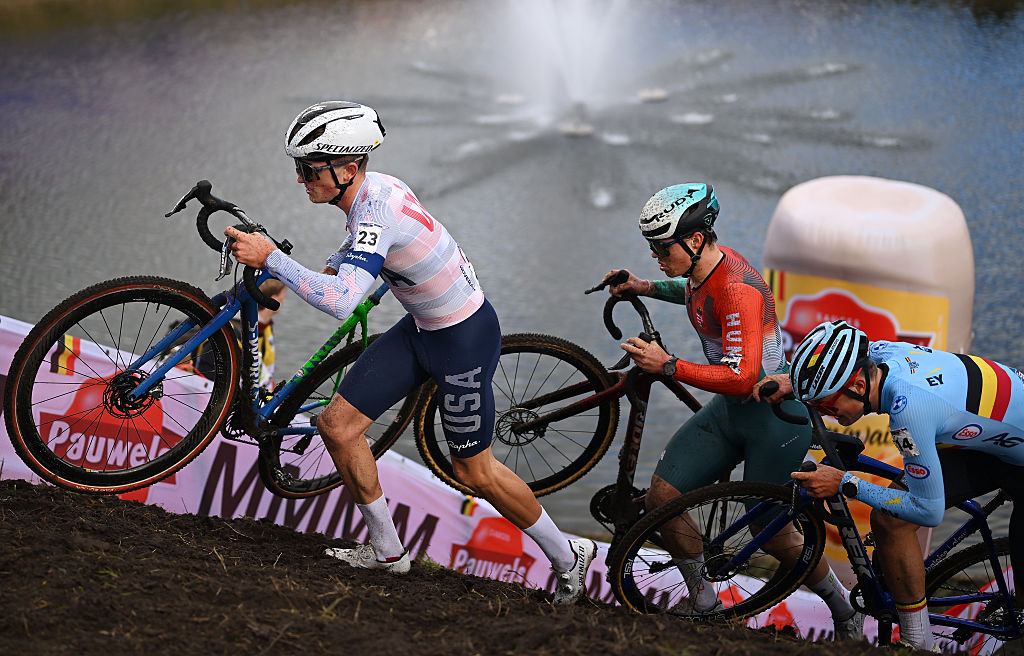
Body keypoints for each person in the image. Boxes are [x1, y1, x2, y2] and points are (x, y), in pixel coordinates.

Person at [225, 101, 595, 605]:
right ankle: (388, 552)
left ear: (347, 168)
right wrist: (301, 267)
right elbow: (354, 264)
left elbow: (339, 301)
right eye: (298, 167)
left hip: (463, 340)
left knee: (475, 472)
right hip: (422, 329)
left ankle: (568, 556)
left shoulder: (375, 210)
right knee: (337, 426)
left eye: (309, 168)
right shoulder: (373, 193)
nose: (300, 179)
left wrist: (273, 258)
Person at [609, 183, 862, 639]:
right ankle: (704, 599)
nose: (654, 254)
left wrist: (667, 365)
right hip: (731, 411)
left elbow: (744, 377)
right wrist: (643, 286)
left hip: (776, 422)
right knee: (663, 498)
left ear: (695, 240)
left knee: (770, 525)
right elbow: (689, 289)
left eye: (661, 247)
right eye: (651, 247)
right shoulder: (704, 269)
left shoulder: (738, 291)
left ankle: (843, 609)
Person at [769, 319, 1024, 650]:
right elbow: (845, 357)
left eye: (826, 405)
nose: (826, 413)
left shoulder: (908, 410)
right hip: (993, 442)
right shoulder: (879, 355)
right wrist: (796, 383)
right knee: (889, 519)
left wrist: (845, 483)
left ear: (858, 386)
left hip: (1009, 448)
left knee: (902, 512)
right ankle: (915, 632)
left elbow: (928, 511)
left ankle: (920, 644)